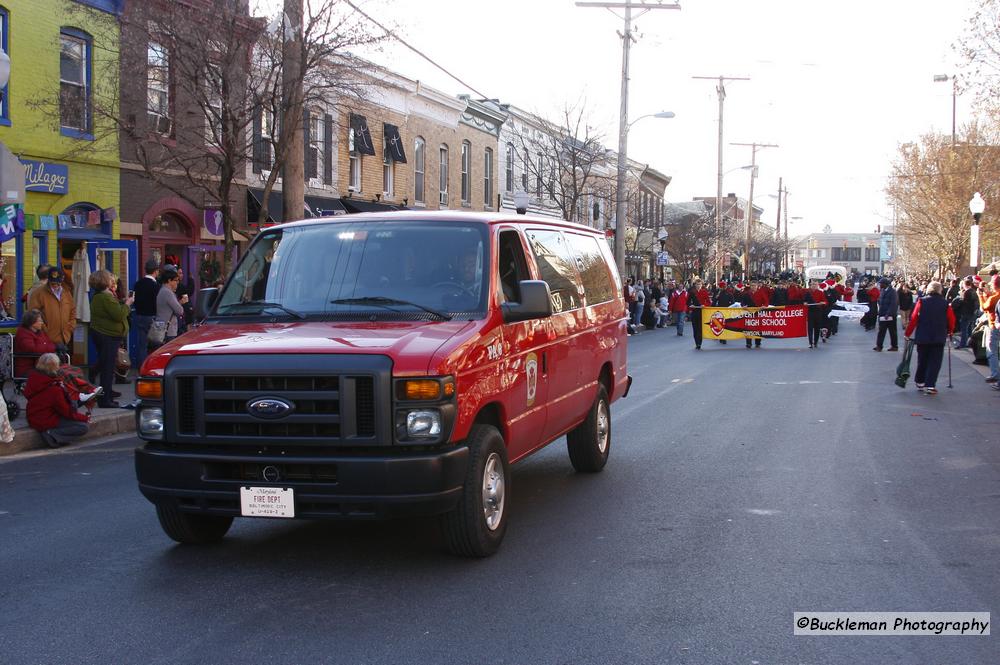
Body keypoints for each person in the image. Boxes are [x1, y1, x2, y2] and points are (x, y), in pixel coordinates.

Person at [14, 310, 102, 408]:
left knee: (73, 370)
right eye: (39, 320)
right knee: (62, 373)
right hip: (29, 368)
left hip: (42, 365)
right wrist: (51, 347)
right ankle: (77, 396)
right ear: (31, 322)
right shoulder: (23, 334)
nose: (42, 322)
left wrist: (53, 346)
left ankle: (87, 391)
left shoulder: (40, 333)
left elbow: (49, 344)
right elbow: (33, 349)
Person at [24, 353, 90, 448]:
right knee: (83, 427)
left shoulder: (33, 378)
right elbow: (66, 411)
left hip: (34, 416)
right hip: (46, 420)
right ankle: (51, 435)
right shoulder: (54, 388)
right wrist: (85, 418)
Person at [89, 270, 132, 409]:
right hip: (107, 335)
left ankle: (107, 392)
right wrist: (127, 304)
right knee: (107, 369)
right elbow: (118, 315)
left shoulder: (101, 296)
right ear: (104, 281)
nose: (112, 281)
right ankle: (104, 399)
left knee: (108, 366)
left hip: (105, 334)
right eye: (109, 278)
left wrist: (121, 302)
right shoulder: (104, 297)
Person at [904, 281, 955, 395]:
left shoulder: (922, 301)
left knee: (922, 360)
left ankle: (920, 381)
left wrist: (908, 333)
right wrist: (950, 332)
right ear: (940, 290)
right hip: (938, 336)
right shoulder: (945, 304)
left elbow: (914, 319)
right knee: (935, 362)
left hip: (923, 335)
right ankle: (930, 384)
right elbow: (951, 320)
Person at [27, 266, 76, 351]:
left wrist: (70, 326)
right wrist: (44, 330)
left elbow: (72, 310)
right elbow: (33, 314)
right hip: (47, 338)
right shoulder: (38, 293)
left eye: (58, 283)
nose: (56, 285)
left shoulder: (66, 292)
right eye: (53, 283)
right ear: (48, 280)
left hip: (65, 337)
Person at [132, 259, 160, 369]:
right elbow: (157, 302)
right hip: (151, 317)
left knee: (142, 345)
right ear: (155, 271)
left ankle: (142, 367)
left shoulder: (138, 284)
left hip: (139, 316)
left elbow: (134, 299)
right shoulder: (155, 286)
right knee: (156, 344)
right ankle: (152, 367)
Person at [156, 266, 188, 344]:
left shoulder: (163, 290)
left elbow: (170, 308)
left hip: (162, 327)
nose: (177, 283)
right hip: (168, 330)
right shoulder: (168, 292)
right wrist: (182, 303)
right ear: (169, 280)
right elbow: (179, 310)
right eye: (175, 280)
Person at [979, 274, 1000, 384]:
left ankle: (995, 374)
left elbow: (984, 307)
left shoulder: (993, 298)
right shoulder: (995, 297)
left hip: (994, 325)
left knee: (992, 351)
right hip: (995, 324)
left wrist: (981, 296)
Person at [874, 277, 899, 351]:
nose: (880, 285)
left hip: (890, 315)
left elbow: (893, 304)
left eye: (881, 283)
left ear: (885, 284)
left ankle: (894, 346)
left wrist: (888, 313)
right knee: (881, 331)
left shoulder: (893, 291)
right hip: (882, 314)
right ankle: (879, 346)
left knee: (892, 331)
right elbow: (880, 300)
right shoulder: (882, 290)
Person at [687, 278, 710, 349]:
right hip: (694, 311)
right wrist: (691, 306)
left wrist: (704, 305)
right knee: (695, 328)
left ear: (701, 285)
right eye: (697, 284)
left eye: (699, 284)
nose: (698, 286)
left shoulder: (704, 292)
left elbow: (709, 302)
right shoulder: (692, 292)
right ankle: (696, 342)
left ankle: (699, 343)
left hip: (702, 312)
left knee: (700, 328)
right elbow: (688, 302)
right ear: (695, 285)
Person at [958, 277, 978, 349]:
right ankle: (970, 343)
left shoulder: (966, 292)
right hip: (972, 313)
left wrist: (961, 298)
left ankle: (963, 344)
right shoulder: (973, 291)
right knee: (969, 329)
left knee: (964, 329)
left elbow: (965, 303)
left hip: (966, 313)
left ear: (964, 284)